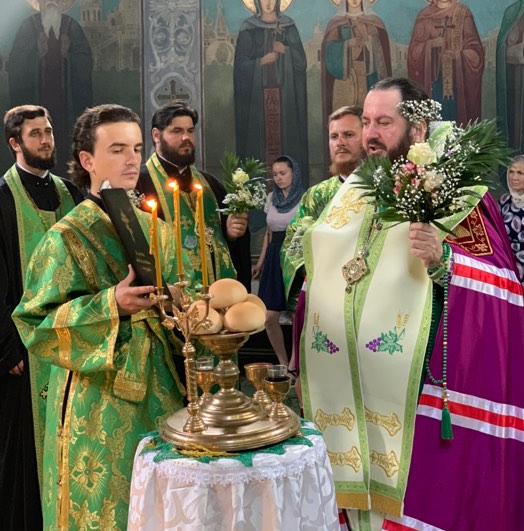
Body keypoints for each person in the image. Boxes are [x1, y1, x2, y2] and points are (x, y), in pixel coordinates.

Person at [301, 77, 524, 531]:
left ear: (418, 128)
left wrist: (445, 262)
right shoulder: (354, 190)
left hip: (420, 386)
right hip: (353, 388)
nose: (370, 134)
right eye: (366, 122)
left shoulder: (458, 191)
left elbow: (505, 285)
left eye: (384, 122)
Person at [13, 104, 187, 531]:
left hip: (162, 386)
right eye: (117, 149)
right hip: (98, 400)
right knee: (107, 514)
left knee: (165, 513)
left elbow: (179, 304)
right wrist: (111, 303)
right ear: (87, 160)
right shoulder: (66, 236)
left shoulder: (154, 226)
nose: (132, 160)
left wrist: (179, 303)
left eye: (136, 148)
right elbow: (36, 322)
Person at [0, 105, 83, 531]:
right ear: (15, 143)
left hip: (73, 342)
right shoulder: (3, 199)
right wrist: (8, 346)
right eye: (35, 134)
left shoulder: (71, 193)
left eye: (48, 131)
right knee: (24, 454)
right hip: (23, 354)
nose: (46, 139)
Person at [281, 105, 364, 380]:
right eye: (333, 136)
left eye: (349, 134)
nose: (340, 142)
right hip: (326, 305)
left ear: (366, 136)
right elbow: (292, 247)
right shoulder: (317, 195)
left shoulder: (385, 189)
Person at [137, 102, 251, 290]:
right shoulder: (140, 185)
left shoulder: (211, 185)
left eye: (190, 131)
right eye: (177, 131)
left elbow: (230, 245)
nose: (186, 137)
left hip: (218, 296)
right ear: (156, 135)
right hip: (171, 299)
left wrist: (231, 233)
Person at [7, 0, 93, 174]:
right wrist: (36, 54)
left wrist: (68, 55)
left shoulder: (71, 26)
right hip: (37, 96)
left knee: (65, 139)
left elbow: (85, 62)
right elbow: (16, 64)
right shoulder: (29, 26)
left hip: (66, 100)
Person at [233, 0, 309, 182]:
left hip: (286, 99)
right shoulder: (248, 28)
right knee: (258, 147)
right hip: (257, 101)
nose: (268, 1)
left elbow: (301, 63)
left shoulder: (289, 26)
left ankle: (293, 187)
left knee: (287, 142)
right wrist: (261, 61)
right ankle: (257, 189)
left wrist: (286, 50)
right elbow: (240, 67)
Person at [321, 0, 391, 163]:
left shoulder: (374, 23)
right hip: (345, 82)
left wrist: (368, 41)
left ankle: (375, 163)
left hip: (369, 80)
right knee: (345, 126)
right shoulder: (336, 25)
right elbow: (329, 58)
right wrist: (347, 45)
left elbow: (382, 59)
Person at [407, 0, 485, 125]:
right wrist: (430, 46)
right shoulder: (424, 17)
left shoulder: (463, 14)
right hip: (433, 85)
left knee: (456, 124)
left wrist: (457, 54)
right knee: (434, 125)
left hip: (458, 85)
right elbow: (413, 56)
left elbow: (476, 54)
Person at [252, 155, 305, 367]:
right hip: (274, 255)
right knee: (269, 317)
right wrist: (260, 263)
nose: (279, 178)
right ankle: (282, 363)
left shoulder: (305, 198)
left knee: (296, 314)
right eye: (275, 174)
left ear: (294, 173)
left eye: (283, 173)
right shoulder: (271, 198)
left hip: (295, 256)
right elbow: (268, 233)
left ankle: (294, 365)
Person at [496, 0, 524, 151]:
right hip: (518, 83)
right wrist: (514, 50)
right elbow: (502, 48)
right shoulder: (512, 12)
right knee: (517, 127)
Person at [500, 154, 524, 302]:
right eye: (511, 171)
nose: (514, 177)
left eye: (520, 173)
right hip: (507, 268)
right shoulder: (504, 201)